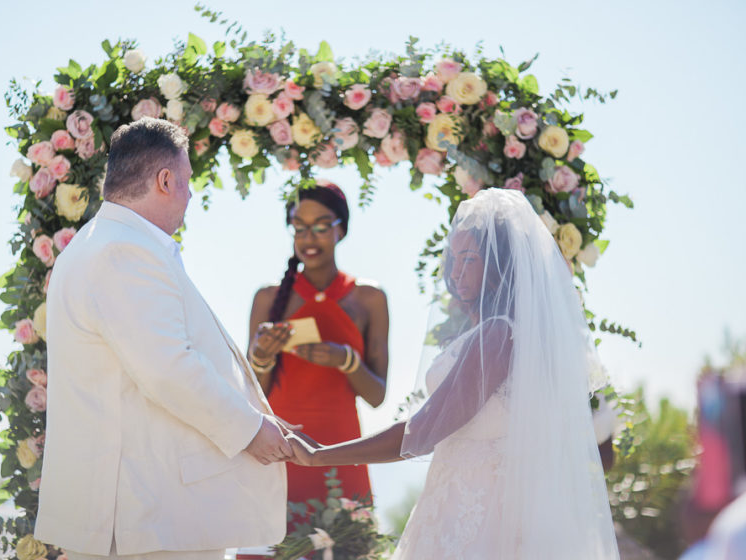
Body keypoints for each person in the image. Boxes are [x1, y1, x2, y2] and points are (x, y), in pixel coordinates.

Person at [288, 188, 619, 559]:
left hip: (484, 518)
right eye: (453, 258)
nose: (456, 271)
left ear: (497, 265)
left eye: (469, 259)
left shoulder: (498, 334)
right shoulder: (484, 332)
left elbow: (425, 428)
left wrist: (319, 455)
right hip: (453, 503)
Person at [35, 118, 290, 560]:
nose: (190, 195)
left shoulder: (101, 244)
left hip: (144, 515)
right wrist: (251, 430)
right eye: (188, 182)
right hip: (147, 518)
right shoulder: (123, 251)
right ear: (165, 180)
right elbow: (168, 370)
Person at [247, 181, 389, 507]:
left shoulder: (369, 298)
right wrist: (262, 358)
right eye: (299, 228)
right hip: (280, 452)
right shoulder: (267, 298)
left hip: (341, 453)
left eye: (321, 227)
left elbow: (377, 396)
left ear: (342, 230)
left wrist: (347, 361)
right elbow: (251, 397)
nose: (309, 238)